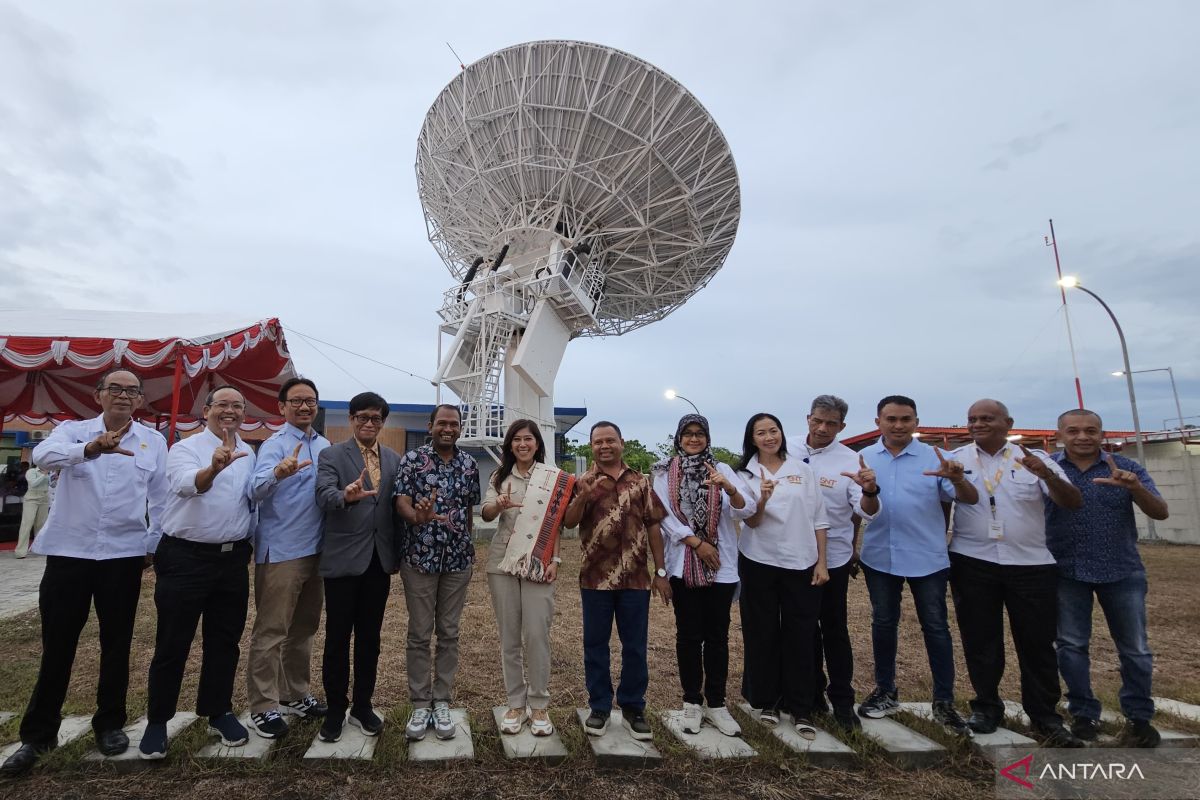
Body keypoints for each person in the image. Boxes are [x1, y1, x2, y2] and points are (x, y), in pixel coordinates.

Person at [0, 370, 167, 776]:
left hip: (123, 557)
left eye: (132, 391)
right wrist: (91, 449)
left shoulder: (153, 441)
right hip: (69, 556)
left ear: (140, 400)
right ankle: (37, 734)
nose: (123, 396)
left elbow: (160, 500)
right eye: (115, 389)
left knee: (117, 645)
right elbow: (40, 457)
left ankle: (109, 724)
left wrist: (150, 546)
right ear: (99, 396)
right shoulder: (71, 432)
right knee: (57, 646)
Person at [947, 399, 1083, 747]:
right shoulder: (958, 459)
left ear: (1007, 423)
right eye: (972, 419)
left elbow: (1072, 501)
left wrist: (1047, 474)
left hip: (1031, 564)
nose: (978, 424)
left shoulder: (1034, 458)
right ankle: (986, 708)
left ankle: (1045, 716)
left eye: (987, 418)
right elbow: (952, 501)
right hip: (973, 561)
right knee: (980, 640)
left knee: (1037, 643)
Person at [140, 385, 257, 759]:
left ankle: (217, 711)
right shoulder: (185, 448)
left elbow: (249, 500)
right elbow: (186, 486)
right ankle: (158, 721)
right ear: (206, 410)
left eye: (237, 406)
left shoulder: (249, 451)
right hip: (186, 558)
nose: (230, 411)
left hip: (232, 560)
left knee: (224, 642)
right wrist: (213, 468)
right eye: (222, 404)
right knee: (173, 643)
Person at [1047, 408, 1169, 748]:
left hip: (1122, 569)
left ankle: (1139, 717)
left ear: (1102, 433)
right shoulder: (1049, 468)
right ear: (1060, 435)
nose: (1083, 436)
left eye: (1091, 430)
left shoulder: (1127, 467)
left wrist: (1135, 490)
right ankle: (1083, 712)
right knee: (1071, 645)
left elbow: (1160, 511)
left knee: (1135, 649)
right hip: (1067, 570)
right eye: (1073, 431)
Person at [857, 395, 978, 736]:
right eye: (891, 419)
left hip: (927, 557)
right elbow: (861, 508)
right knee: (883, 623)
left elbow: (968, 499)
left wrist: (956, 478)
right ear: (878, 421)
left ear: (916, 421)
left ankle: (944, 700)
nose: (898, 425)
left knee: (936, 626)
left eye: (905, 419)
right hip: (880, 555)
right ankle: (885, 690)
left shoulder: (938, 458)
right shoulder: (864, 458)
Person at [562, 420, 669, 742]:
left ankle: (634, 707)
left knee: (634, 647)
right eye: (598, 442)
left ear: (621, 442)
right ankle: (599, 706)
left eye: (610, 440)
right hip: (595, 579)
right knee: (595, 646)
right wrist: (580, 497)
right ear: (591, 446)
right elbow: (568, 521)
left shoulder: (640, 482)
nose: (604, 446)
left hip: (635, 579)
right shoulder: (583, 482)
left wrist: (661, 572)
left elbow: (653, 526)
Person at [654, 414, 755, 738]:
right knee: (688, 636)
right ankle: (691, 702)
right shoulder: (664, 471)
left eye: (700, 434)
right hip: (683, 563)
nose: (694, 439)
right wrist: (697, 543)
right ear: (679, 437)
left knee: (717, 637)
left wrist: (730, 489)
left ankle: (717, 703)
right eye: (688, 433)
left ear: (707, 437)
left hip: (721, 566)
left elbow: (746, 510)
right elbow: (663, 516)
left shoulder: (722, 469)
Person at [313, 391, 401, 743]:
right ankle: (336, 709)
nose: (368, 424)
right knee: (336, 638)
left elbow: (395, 509)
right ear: (351, 419)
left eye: (376, 419)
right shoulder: (332, 454)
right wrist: (344, 496)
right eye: (362, 417)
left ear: (383, 422)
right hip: (343, 559)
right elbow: (323, 495)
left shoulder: (394, 458)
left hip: (379, 561)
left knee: (370, 638)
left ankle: (363, 705)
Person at [245, 377, 331, 739]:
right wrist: (279, 473)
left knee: (304, 629)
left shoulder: (326, 446)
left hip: (318, 552)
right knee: (271, 631)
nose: (304, 406)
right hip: (281, 551)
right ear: (282, 407)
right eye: (296, 401)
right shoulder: (274, 445)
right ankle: (263, 706)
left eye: (309, 400)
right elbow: (254, 490)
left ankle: (294, 693)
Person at [735, 412, 828, 739]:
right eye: (761, 432)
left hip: (801, 561)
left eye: (773, 430)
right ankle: (767, 701)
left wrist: (822, 562)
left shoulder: (802, 469)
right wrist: (762, 499)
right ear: (752, 439)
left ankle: (801, 706)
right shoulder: (744, 474)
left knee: (801, 634)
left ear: (782, 433)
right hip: (758, 559)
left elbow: (819, 519)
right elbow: (752, 522)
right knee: (762, 632)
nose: (768, 437)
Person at [480, 420, 573, 737]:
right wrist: (499, 504)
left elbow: (557, 523)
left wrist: (555, 560)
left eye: (528, 439)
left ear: (537, 443)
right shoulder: (499, 476)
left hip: (539, 563)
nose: (522, 444)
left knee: (536, 634)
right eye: (516, 439)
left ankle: (539, 705)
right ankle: (515, 705)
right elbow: (487, 513)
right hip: (502, 563)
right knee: (509, 637)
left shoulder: (552, 479)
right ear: (509, 445)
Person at [395, 404, 481, 742]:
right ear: (430, 426)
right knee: (419, 633)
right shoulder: (412, 461)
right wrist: (416, 517)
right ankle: (420, 703)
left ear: (460, 429)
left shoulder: (469, 464)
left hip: (458, 562)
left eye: (454, 424)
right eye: (441, 423)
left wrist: (469, 546)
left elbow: (470, 510)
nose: (448, 428)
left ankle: (441, 701)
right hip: (419, 559)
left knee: (449, 633)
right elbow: (400, 501)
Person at [799, 396, 881, 731]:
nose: (822, 429)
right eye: (818, 420)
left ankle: (843, 703)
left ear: (842, 427)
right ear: (808, 418)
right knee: (802, 632)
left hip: (832, 560)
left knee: (834, 630)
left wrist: (870, 491)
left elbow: (867, 512)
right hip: (792, 559)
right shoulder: (786, 450)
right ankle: (810, 695)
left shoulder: (850, 461)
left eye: (831, 424)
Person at [15, 463, 50, 559]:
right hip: (32, 498)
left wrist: (54, 479)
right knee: (27, 523)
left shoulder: (48, 472)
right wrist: (44, 474)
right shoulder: (31, 471)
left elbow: (51, 484)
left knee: (41, 525)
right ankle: (20, 552)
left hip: (44, 499)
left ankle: (39, 548)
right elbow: (33, 483)